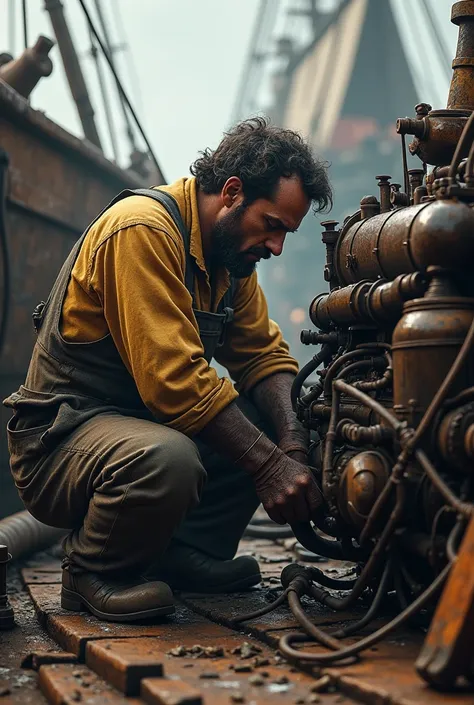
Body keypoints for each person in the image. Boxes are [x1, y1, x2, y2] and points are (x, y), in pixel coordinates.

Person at [4, 118, 332, 623]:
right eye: (272, 226)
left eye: (286, 234)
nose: (277, 248)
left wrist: (292, 442)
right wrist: (269, 467)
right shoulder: (142, 230)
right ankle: (93, 572)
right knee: (168, 458)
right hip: (62, 439)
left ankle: (180, 552)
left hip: (140, 431)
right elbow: (176, 385)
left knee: (282, 410)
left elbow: (264, 357)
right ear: (231, 192)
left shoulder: (229, 259)